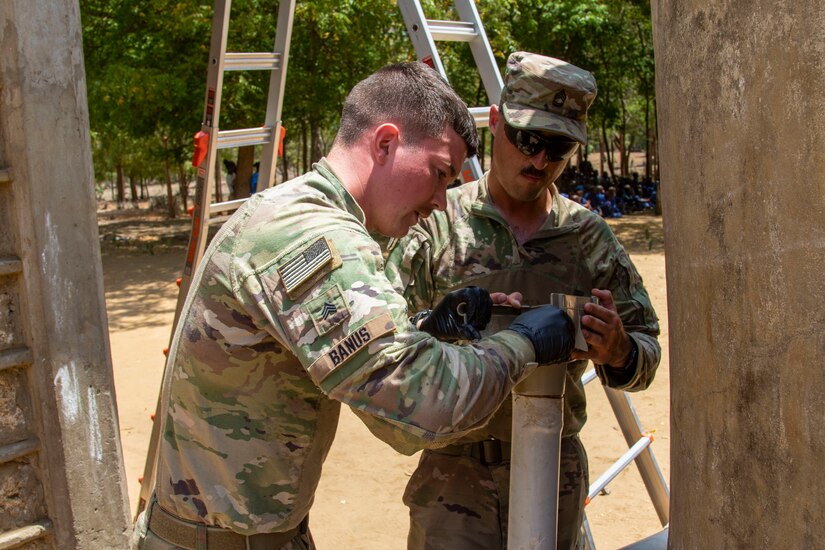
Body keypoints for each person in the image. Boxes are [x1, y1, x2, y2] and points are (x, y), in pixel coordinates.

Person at [132, 62, 578, 550]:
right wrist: (525, 343)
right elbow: (423, 406)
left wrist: (429, 328)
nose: (438, 201)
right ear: (385, 143)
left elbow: (341, 358)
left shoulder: (297, 210)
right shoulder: (315, 237)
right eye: (438, 174)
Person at [386, 52, 662, 550]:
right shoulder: (434, 221)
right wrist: (437, 326)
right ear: (495, 122)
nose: (538, 161)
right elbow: (383, 340)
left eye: (556, 150)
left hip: (554, 473)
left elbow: (647, 352)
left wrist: (619, 351)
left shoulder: (587, 238)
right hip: (454, 482)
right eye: (528, 140)